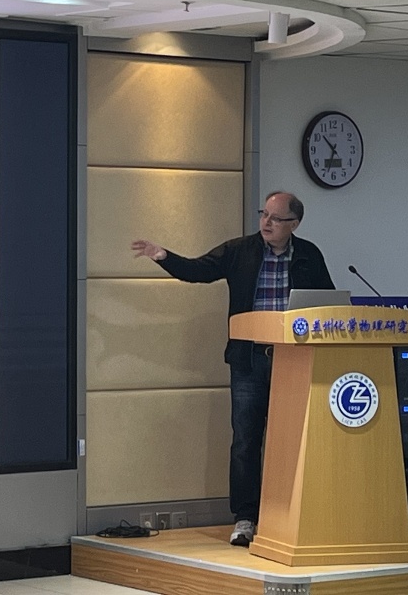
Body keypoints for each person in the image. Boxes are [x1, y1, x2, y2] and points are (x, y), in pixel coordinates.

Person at [130, 191, 334, 547]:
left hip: (295, 362)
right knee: (245, 442)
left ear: (294, 224)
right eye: (264, 214)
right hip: (249, 361)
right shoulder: (241, 250)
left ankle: (289, 515)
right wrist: (163, 256)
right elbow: (198, 270)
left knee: (294, 440)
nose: (266, 222)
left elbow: (328, 303)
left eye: (276, 218)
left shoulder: (309, 255)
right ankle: (245, 518)